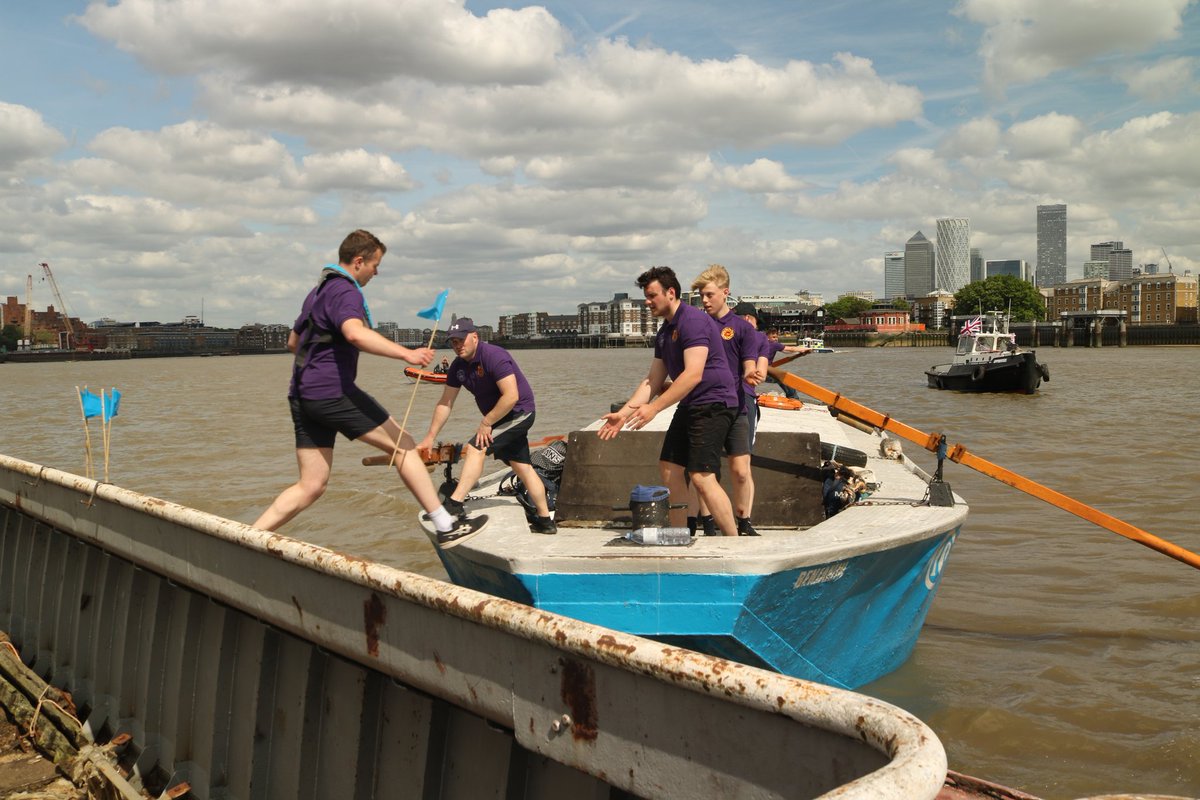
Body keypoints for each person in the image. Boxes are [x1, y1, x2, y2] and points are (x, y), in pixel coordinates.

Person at [254, 229, 487, 547]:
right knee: (404, 445)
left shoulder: (316, 292)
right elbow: (354, 334)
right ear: (359, 261)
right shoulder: (345, 291)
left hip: (302, 396)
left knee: (311, 485)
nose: (377, 272)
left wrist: (319, 362)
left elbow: (293, 342)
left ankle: (247, 537)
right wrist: (407, 354)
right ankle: (445, 525)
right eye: (376, 265)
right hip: (331, 392)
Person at [599, 266, 740, 537]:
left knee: (701, 476)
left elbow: (693, 374)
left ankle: (734, 542)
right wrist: (624, 414)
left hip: (714, 403)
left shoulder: (693, 321)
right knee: (669, 466)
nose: (648, 302)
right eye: (646, 297)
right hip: (691, 404)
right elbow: (652, 380)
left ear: (671, 292)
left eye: (652, 296)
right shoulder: (665, 332)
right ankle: (679, 534)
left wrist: (654, 408)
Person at [417, 318, 557, 534]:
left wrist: (486, 423)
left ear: (475, 337)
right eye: (453, 342)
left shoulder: (494, 356)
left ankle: (454, 505)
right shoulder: (457, 367)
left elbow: (511, 396)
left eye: (461, 340)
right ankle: (545, 520)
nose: (457, 345)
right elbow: (446, 402)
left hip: (519, 412)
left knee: (476, 447)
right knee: (522, 467)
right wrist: (429, 437)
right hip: (499, 419)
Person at [691, 266, 765, 536]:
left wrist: (751, 373)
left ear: (726, 293)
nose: (705, 301)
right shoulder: (698, 326)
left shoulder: (743, 329)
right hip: (705, 407)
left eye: (709, 295)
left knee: (741, 470)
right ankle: (708, 521)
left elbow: (748, 362)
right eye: (701, 296)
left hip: (737, 406)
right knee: (705, 469)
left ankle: (744, 521)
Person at [761, 326, 811, 400]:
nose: (776, 339)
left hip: (759, 369)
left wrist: (800, 352)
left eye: (776, 337)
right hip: (765, 372)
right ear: (767, 336)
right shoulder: (774, 344)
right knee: (785, 379)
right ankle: (793, 398)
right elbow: (791, 349)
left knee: (780, 379)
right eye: (774, 337)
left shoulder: (760, 343)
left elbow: (786, 351)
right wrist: (806, 349)